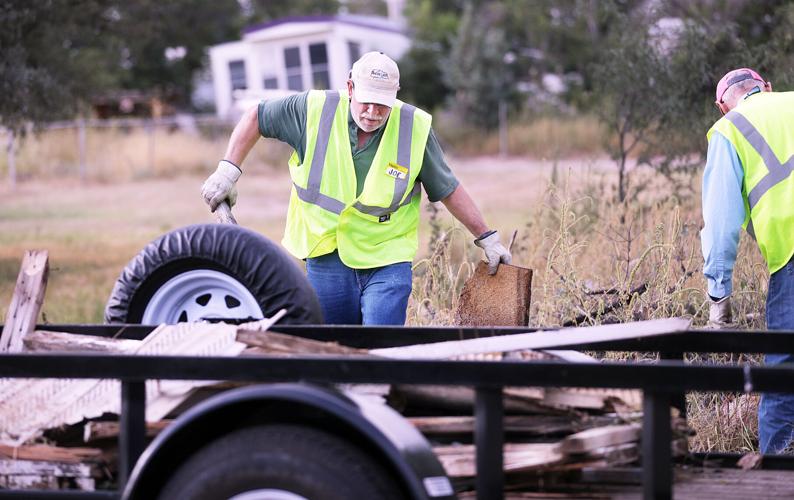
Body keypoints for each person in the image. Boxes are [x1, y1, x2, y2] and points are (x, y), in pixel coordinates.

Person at [201, 51, 511, 326]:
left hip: (386, 257)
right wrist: (228, 171)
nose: (373, 113)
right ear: (350, 88)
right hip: (326, 252)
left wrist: (487, 237)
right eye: (367, 102)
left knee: (379, 342)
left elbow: (448, 188)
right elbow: (256, 116)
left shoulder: (413, 128)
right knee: (339, 347)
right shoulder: (313, 110)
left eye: (383, 105)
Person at [702, 67, 794, 454]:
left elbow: (722, 223)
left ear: (723, 106)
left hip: (791, 258)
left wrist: (718, 295)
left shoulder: (729, 130)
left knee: (783, 377)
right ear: (767, 87)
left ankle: (774, 476)